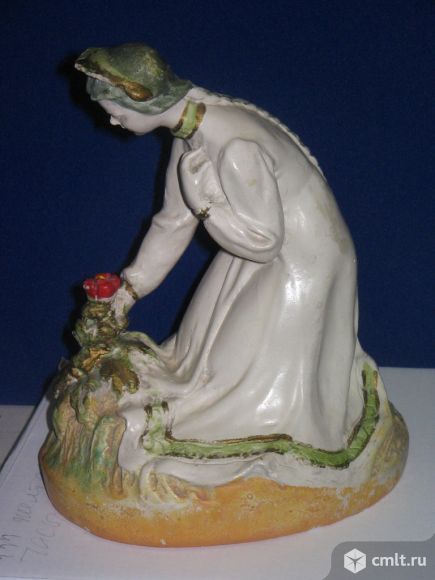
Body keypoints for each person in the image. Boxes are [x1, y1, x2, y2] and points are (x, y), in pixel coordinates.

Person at [75, 43, 377, 462]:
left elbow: (265, 242)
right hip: (250, 241)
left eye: (115, 111)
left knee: (242, 384)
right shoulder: (190, 132)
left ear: (141, 100)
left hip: (303, 260)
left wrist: (206, 206)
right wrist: (130, 288)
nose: (111, 120)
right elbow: (173, 221)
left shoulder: (233, 146)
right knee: (195, 353)